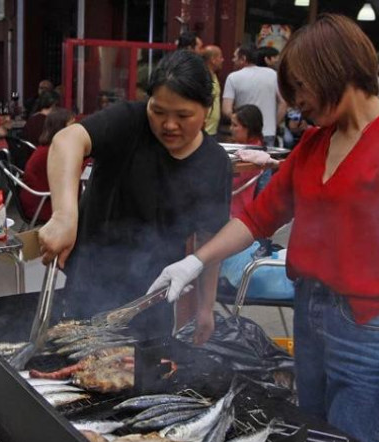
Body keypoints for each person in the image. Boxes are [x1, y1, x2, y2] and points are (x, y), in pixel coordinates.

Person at [149, 15, 379, 442]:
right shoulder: (314, 144)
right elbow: (257, 219)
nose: (296, 104)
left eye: (300, 89)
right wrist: (197, 260)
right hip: (310, 312)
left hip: (370, 328)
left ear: (332, 71)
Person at [38, 49, 232, 338]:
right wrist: (65, 214)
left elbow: (208, 239)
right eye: (159, 111)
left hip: (155, 293)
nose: (168, 124)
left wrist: (205, 309)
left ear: (207, 110)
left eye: (183, 115)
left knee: (145, 373)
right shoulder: (130, 121)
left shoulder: (215, 163)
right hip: (92, 280)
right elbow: (67, 140)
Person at [223, 45, 285, 147]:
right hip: (268, 131)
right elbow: (283, 103)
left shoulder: (233, 77)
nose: (233, 60)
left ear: (243, 58)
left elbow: (226, 109)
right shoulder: (273, 74)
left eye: (235, 57)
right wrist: (274, 123)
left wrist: (237, 122)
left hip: (244, 133)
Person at [21, 107, 74, 223]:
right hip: (42, 204)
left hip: (35, 199)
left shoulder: (47, 147)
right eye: (72, 125)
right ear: (61, 129)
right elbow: (72, 173)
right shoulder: (54, 151)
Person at [229, 105, 265, 217]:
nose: (231, 129)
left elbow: (228, 182)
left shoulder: (253, 155)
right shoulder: (242, 147)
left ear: (248, 128)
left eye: (235, 125)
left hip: (235, 212)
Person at [202, 45, 224, 137]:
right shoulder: (202, 77)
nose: (222, 60)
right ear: (213, 59)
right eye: (220, 57)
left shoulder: (214, 76)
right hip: (205, 130)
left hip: (213, 130)